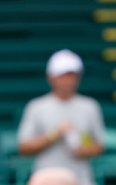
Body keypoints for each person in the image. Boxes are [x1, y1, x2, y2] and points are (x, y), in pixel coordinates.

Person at [18, 50, 105, 185]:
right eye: (62, 75)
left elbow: (99, 145)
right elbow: (24, 147)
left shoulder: (90, 106)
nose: (67, 80)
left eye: (71, 75)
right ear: (50, 77)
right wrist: (55, 134)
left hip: (82, 179)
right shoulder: (36, 107)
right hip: (46, 179)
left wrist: (84, 150)